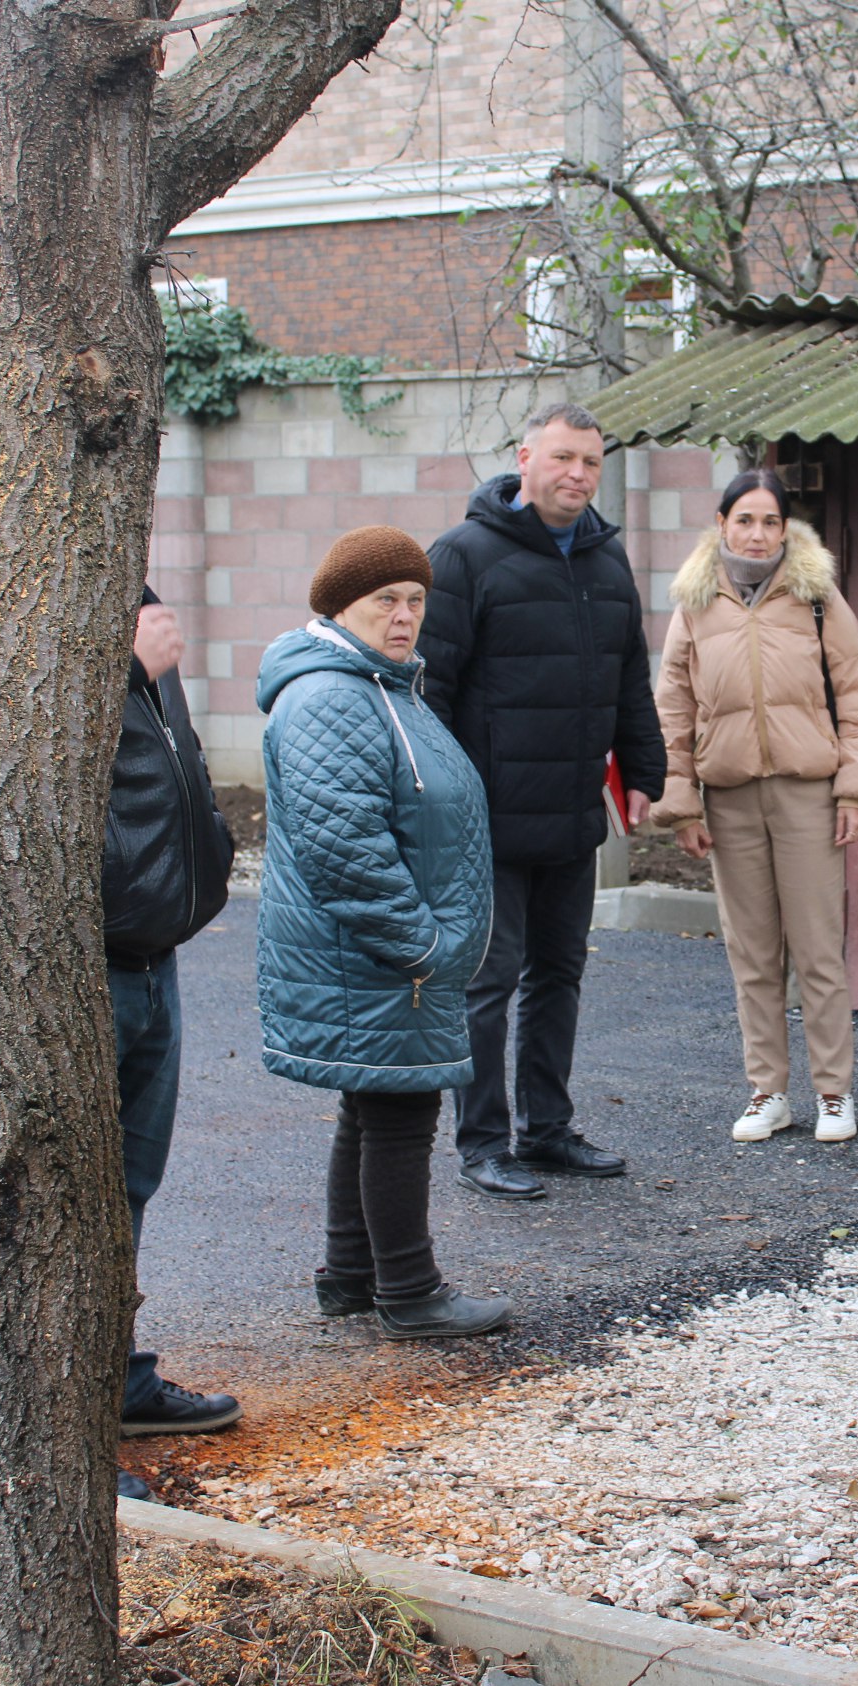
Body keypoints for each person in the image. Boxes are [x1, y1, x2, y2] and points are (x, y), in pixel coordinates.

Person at [254, 526, 512, 1339]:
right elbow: (346, 850)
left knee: (372, 1108)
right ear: (339, 608)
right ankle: (410, 1291)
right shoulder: (334, 697)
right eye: (384, 602)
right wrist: (422, 946)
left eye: (414, 601)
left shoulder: (383, 686)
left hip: (385, 959)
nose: (404, 617)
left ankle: (354, 1276)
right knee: (400, 1115)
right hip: (382, 958)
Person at [419, 401, 667, 1199]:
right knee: (487, 985)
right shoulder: (463, 557)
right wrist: (438, 802)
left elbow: (629, 675)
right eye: (563, 458)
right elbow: (429, 691)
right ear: (524, 459)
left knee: (559, 973)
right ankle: (484, 1143)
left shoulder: (604, 561)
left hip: (570, 814)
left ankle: (548, 1129)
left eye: (591, 463)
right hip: (485, 823)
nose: (577, 475)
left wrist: (646, 769)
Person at [651, 470, 858, 1142]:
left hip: (807, 796)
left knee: (818, 950)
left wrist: (856, 791)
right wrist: (683, 806)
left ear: (785, 529)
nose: (757, 534)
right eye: (745, 520)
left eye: (770, 522)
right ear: (723, 524)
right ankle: (768, 1091)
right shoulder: (696, 604)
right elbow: (672, 710)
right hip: (728, 799)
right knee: (752, 954)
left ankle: (833, 1093)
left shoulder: (817, 596)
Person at [106, 591, 242, 1497]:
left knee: (129, 1183)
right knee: (74, 1192)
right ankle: (62, 1423)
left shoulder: (139, 616)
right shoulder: (45, 620)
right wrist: (122, 673)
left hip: (156, 952)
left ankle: (112, 1381)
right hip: (87, 961)